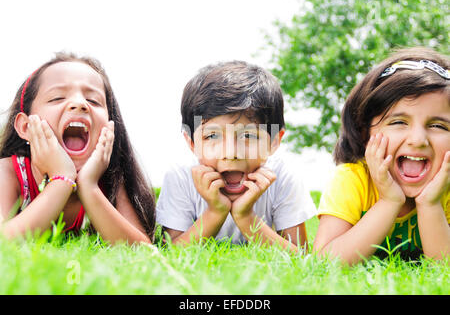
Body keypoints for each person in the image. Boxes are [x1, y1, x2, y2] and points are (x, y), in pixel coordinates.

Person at [156, 61, 316, 252]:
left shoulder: (283, 176)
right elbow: (170, 253)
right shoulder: (180, 177)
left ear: (274, 142)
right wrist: (215, 212)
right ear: (192, 143)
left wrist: (245, 216)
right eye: (212, 136)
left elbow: (301, 257)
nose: (231, 152)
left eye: (248, 135)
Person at [0, 52, 156, 245]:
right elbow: (3, 244)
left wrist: (89, 186)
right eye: (57, 98)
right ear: (25, 127)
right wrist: (61, 179)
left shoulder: (110, 179)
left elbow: (143, 252)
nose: (80, 104)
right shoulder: (9, 172)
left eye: (93, 101)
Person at [313, 47, 450, 264]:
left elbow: (445, 270)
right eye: (398, 122)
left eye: (437, 125)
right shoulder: (352, 180)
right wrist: (389, 201)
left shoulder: (446, 189)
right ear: (364, 131)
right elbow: (324, 263)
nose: (418, 140)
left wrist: (430, 204)